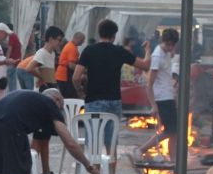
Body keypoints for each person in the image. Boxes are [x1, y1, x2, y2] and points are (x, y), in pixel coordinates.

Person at [73, 19, 152, 159]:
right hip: (113, 101)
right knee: (111, 146)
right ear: (114, 35)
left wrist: (79, 91)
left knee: (94, 145)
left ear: (99, 33)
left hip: (93, 101)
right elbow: (145, 66)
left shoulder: (89, 50)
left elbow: (76, 77)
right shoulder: (119, 51)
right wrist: (147, 50)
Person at [25, 26, 65, 174]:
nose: (59, 44)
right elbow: (29, 68)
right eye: (58, 41)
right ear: (51, 39)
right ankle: (29, 169)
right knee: (39, 135)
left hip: (50, 91)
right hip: (43, 93)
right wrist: (41, 76)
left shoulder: (51, 54)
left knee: (45, 137)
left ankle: (46, 171)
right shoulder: (42, 53)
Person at [137, 28, 181, 161]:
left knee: (174, 131)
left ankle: (173, 159)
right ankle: (142, 149)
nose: (171, 48)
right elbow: (149, 84)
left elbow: (170, 57)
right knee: (170, 130)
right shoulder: (157, 57)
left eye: (173, 45)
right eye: (169, 45)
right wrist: (153, 105)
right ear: (163, 42)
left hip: (168, 95)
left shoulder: (166, 52)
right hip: (162, 97)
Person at [56, 32, 85, 99]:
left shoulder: (71, 45)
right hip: (65, 76)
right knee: (69, 96)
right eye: (82, 40)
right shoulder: (72, 48)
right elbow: (71, 65)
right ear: (78, 38)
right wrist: (81, 71)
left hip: (62, 74)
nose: (83, 42)